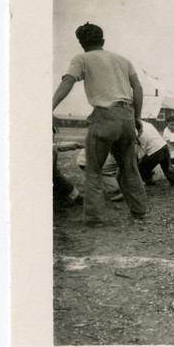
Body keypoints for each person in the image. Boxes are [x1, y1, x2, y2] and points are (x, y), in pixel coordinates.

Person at [52, 22, 147, 226]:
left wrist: (47, 107)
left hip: (104, 117)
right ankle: (139, 212)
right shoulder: (123, 60)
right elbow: (137, 88)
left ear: (81, 43)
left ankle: (95, 219)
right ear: (102, 40)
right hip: (128, 116)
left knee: (94, 170)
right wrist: (137, 117)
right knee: (130, 168)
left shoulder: (82, 58)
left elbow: (68, 82)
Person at [136, 120, 174, 187]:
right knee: (167, 166)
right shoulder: (147, 124)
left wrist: (139, 158)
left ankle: (148, 180)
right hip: (164, 145)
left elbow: (141, 148)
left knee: (141, 166)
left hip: (155, 150)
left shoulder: (135, 128)